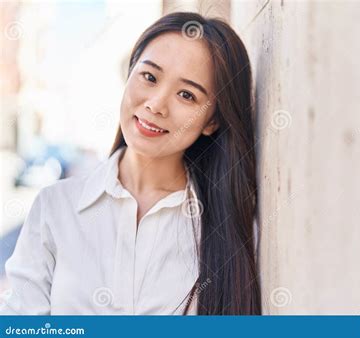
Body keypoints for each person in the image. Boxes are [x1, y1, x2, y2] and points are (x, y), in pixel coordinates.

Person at [0, 11, 261, 315]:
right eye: (149, 77)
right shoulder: (55, 207)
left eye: (186, 95)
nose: (156, 104)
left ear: (212, 121)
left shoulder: (229, 228)